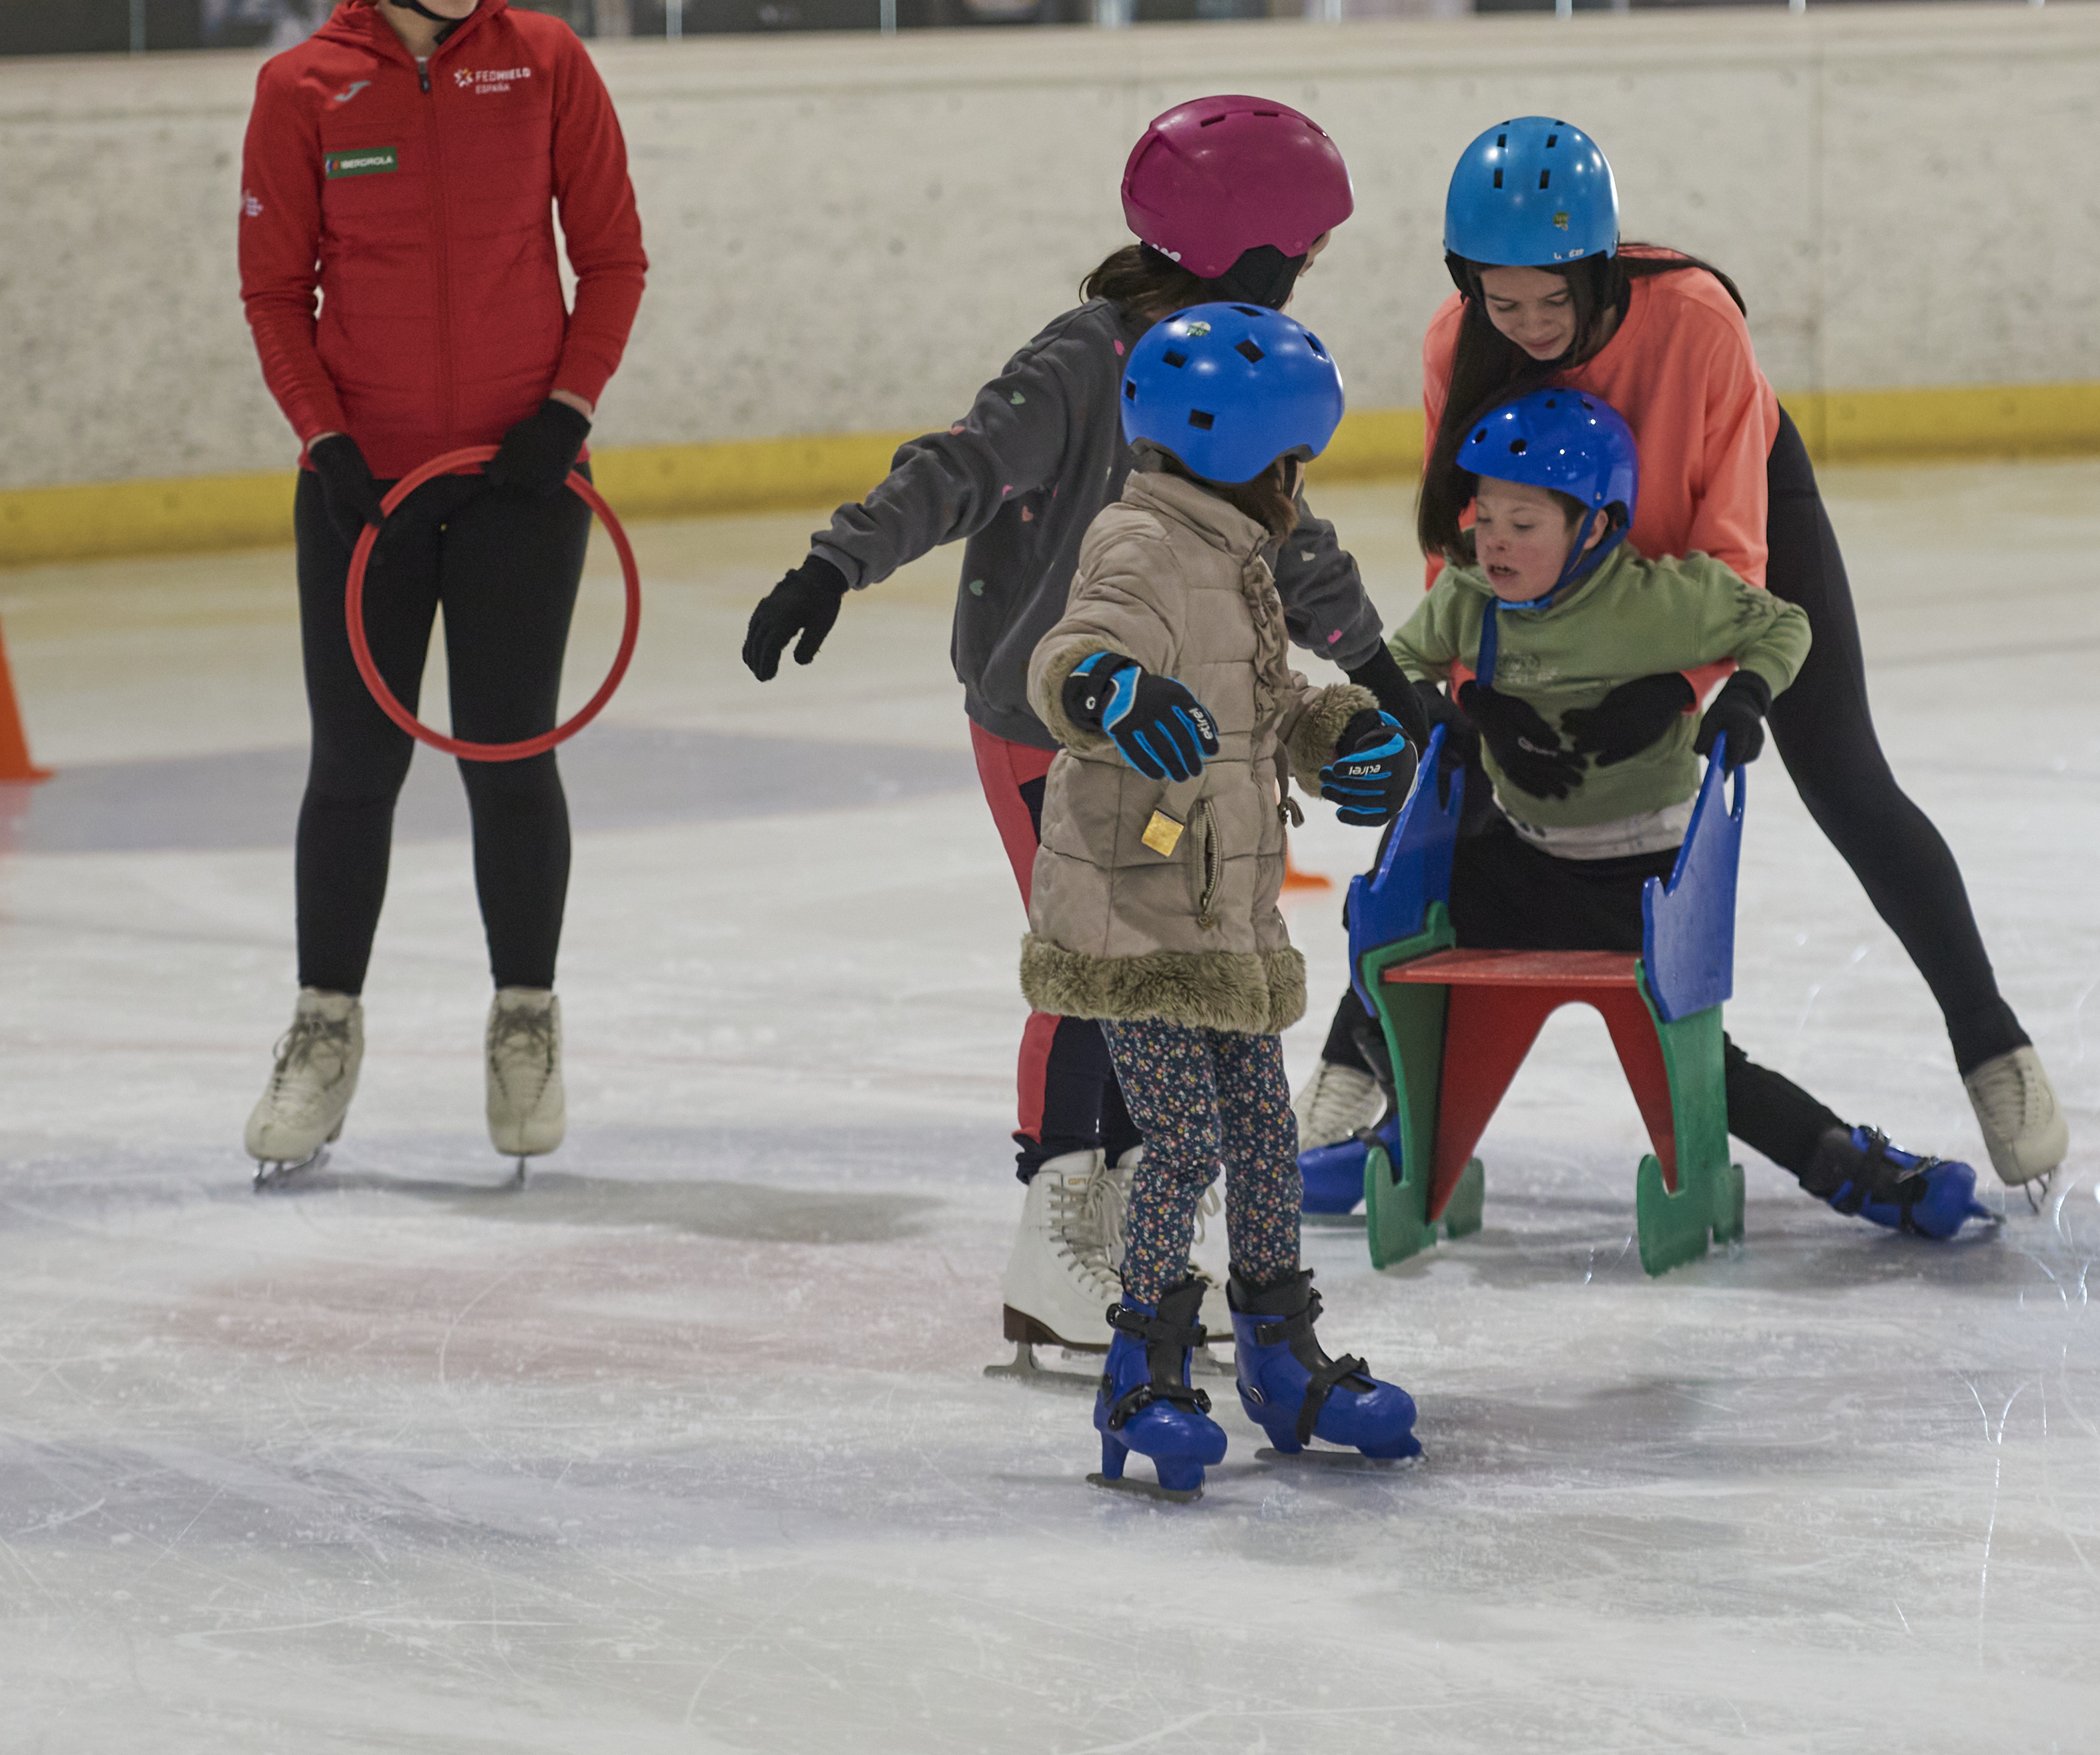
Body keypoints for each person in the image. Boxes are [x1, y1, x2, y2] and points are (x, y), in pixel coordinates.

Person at [736, 97, 1425, 1355]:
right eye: (1307, 248)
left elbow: (1290, 542)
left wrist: (1376, 662)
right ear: (1257, 246)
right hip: (1046, 722)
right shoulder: (1084, 362)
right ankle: (1053, 1237)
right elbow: (953, 472)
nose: (1312, 272)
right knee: (1091, 959)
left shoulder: (1235, 367)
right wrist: (831, 566)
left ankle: (1119, 1236)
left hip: (1187, 737)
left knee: (1150, 973)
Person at [1295, 117, 2070, 1199]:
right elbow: (1462, 546)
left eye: (1549, 301)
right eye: (1497, 301)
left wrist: (1674, 688)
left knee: (1842, 775)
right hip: (1548, 541)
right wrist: (1479, 693)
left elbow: (1732, 551)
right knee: (1456, 777)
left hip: (1706, 518)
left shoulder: (1695, 323)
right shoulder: (1454, 344)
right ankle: (1356, 1053)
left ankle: (1992, 1044)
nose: (1526, 329)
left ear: (1597, 272)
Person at [234, 0, 648, 1182]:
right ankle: (321, 1026)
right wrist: (330, 446)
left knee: (509, 753)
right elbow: (272, 293)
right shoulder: (303, 89)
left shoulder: (543, 65)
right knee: (357, 764)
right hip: (368, 490)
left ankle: (523, 1017)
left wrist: (564, 414)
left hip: (522, 483)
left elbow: (616, 258)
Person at [1367, 388, 1984, 1237]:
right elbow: (1393, 667)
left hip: (1643, 880)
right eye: (1485, 519)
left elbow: (1788, 626)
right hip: (1522, 862)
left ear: (1594, 528)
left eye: (1524, 523)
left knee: (1701, 1066)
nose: (1494, 542)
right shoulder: (1469, 601)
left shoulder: (1665, 601)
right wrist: (1449, 703)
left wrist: (1746, 698)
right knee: (1392, 938)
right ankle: (1404, 1125)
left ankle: (1846, 1164)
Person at [1020, 304, 1425, 1496]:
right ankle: (1138, 1368)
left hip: (1221, 911)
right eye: (1297, 463)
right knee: (1188, 1137)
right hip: (1135, 916)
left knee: (1260, 1136)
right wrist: (1102, 691)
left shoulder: (1226, 553)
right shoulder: (1141, 544)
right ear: (1261, 460)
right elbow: (1074, 650)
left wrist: (1331, 730)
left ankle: (1279, 1356)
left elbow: (1254, 696)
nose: (1301, 487)